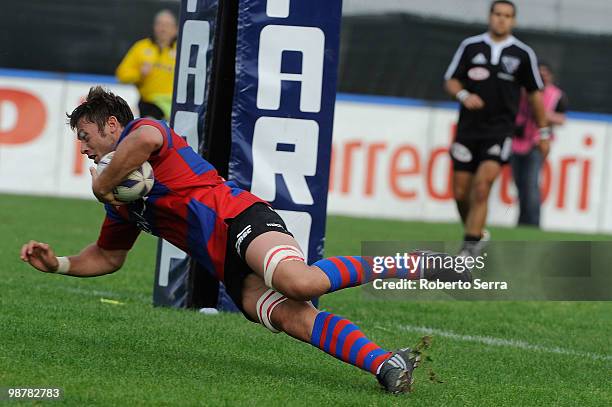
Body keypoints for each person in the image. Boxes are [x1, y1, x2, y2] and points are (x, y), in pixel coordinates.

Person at [19, 87, 469, 394]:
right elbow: (108, 256)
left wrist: (103, 184)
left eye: (84, 136)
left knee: (301, 284)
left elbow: (148, 138)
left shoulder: (143, 133)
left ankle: (410, 261)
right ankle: (387, 365)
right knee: (295, 320)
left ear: (112, 124)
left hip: (240, 219)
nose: (82, 148)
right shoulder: (119, 199)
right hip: (225, 266)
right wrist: (56, 263)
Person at [443, 0, 550, 256]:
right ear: (490, 16)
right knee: (460, 193)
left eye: (507, 16)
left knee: (482, 187)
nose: (501, 19)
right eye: (498, 14)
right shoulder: (470, 47)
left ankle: (467, 252)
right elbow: (451, 80)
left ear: (513, 20)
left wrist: (543, 132)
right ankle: (477, 234)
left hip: (500, 130)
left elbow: (535, 96)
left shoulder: (523, 53)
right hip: (468, 130)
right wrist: (463, 96)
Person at [511, 63, 567, 227]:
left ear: (550, 76)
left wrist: (542, 113)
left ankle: (533, 224)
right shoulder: (522, 90)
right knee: (520, 185)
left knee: (531, 184)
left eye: (545, 74)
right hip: (517, 142)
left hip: (537, 143)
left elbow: (562, 119)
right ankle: (522, 223)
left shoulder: (556, 95)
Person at [116, 9, 178, 121]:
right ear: (154, 27)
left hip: (176, 106)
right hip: (150, 104)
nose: (163, 29)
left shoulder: (183, 50)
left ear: (175, 29)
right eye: (160, 24)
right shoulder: (142, 47)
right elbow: (121, 75)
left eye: (167, 25)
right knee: (150, 127)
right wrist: (139, 74)